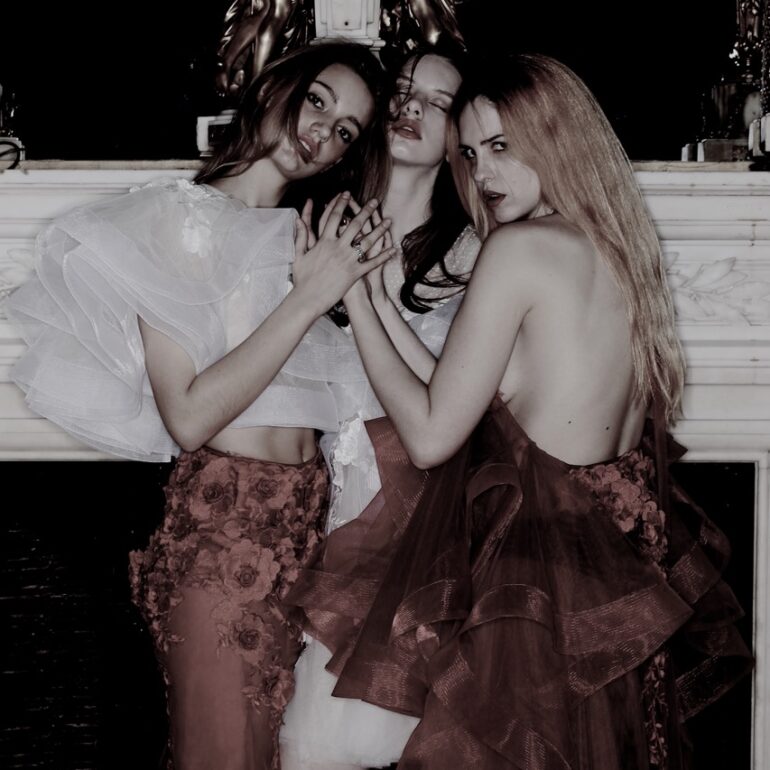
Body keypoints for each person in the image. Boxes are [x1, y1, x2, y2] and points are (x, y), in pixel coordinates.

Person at [287, 54, 753, 768]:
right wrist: (375, 299)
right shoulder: (619, 253)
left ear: (555, 136)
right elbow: (470, 392)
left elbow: (432, 437)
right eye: (472, 154)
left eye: (502, 146)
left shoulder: (517, 249)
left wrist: (346, 292)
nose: (483, 172)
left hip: (527, 584)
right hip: (605, 576)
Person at [6, 40, 396, 770]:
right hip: (225, 540)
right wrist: (312, 295)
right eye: (317, 100)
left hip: (307, 543)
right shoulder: (178, 219)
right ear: (274, 88)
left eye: (346, 130)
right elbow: (187, 416)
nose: (323, 131)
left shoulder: (307, 241)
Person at [280, 49, 481, 770]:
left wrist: (377, 295)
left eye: (438, 101)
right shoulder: (311, 225)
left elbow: (465, 414)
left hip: (411, 550)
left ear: (458, 135)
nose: (412, 107)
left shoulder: (473, 256)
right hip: (303, 539)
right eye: (402, 90)